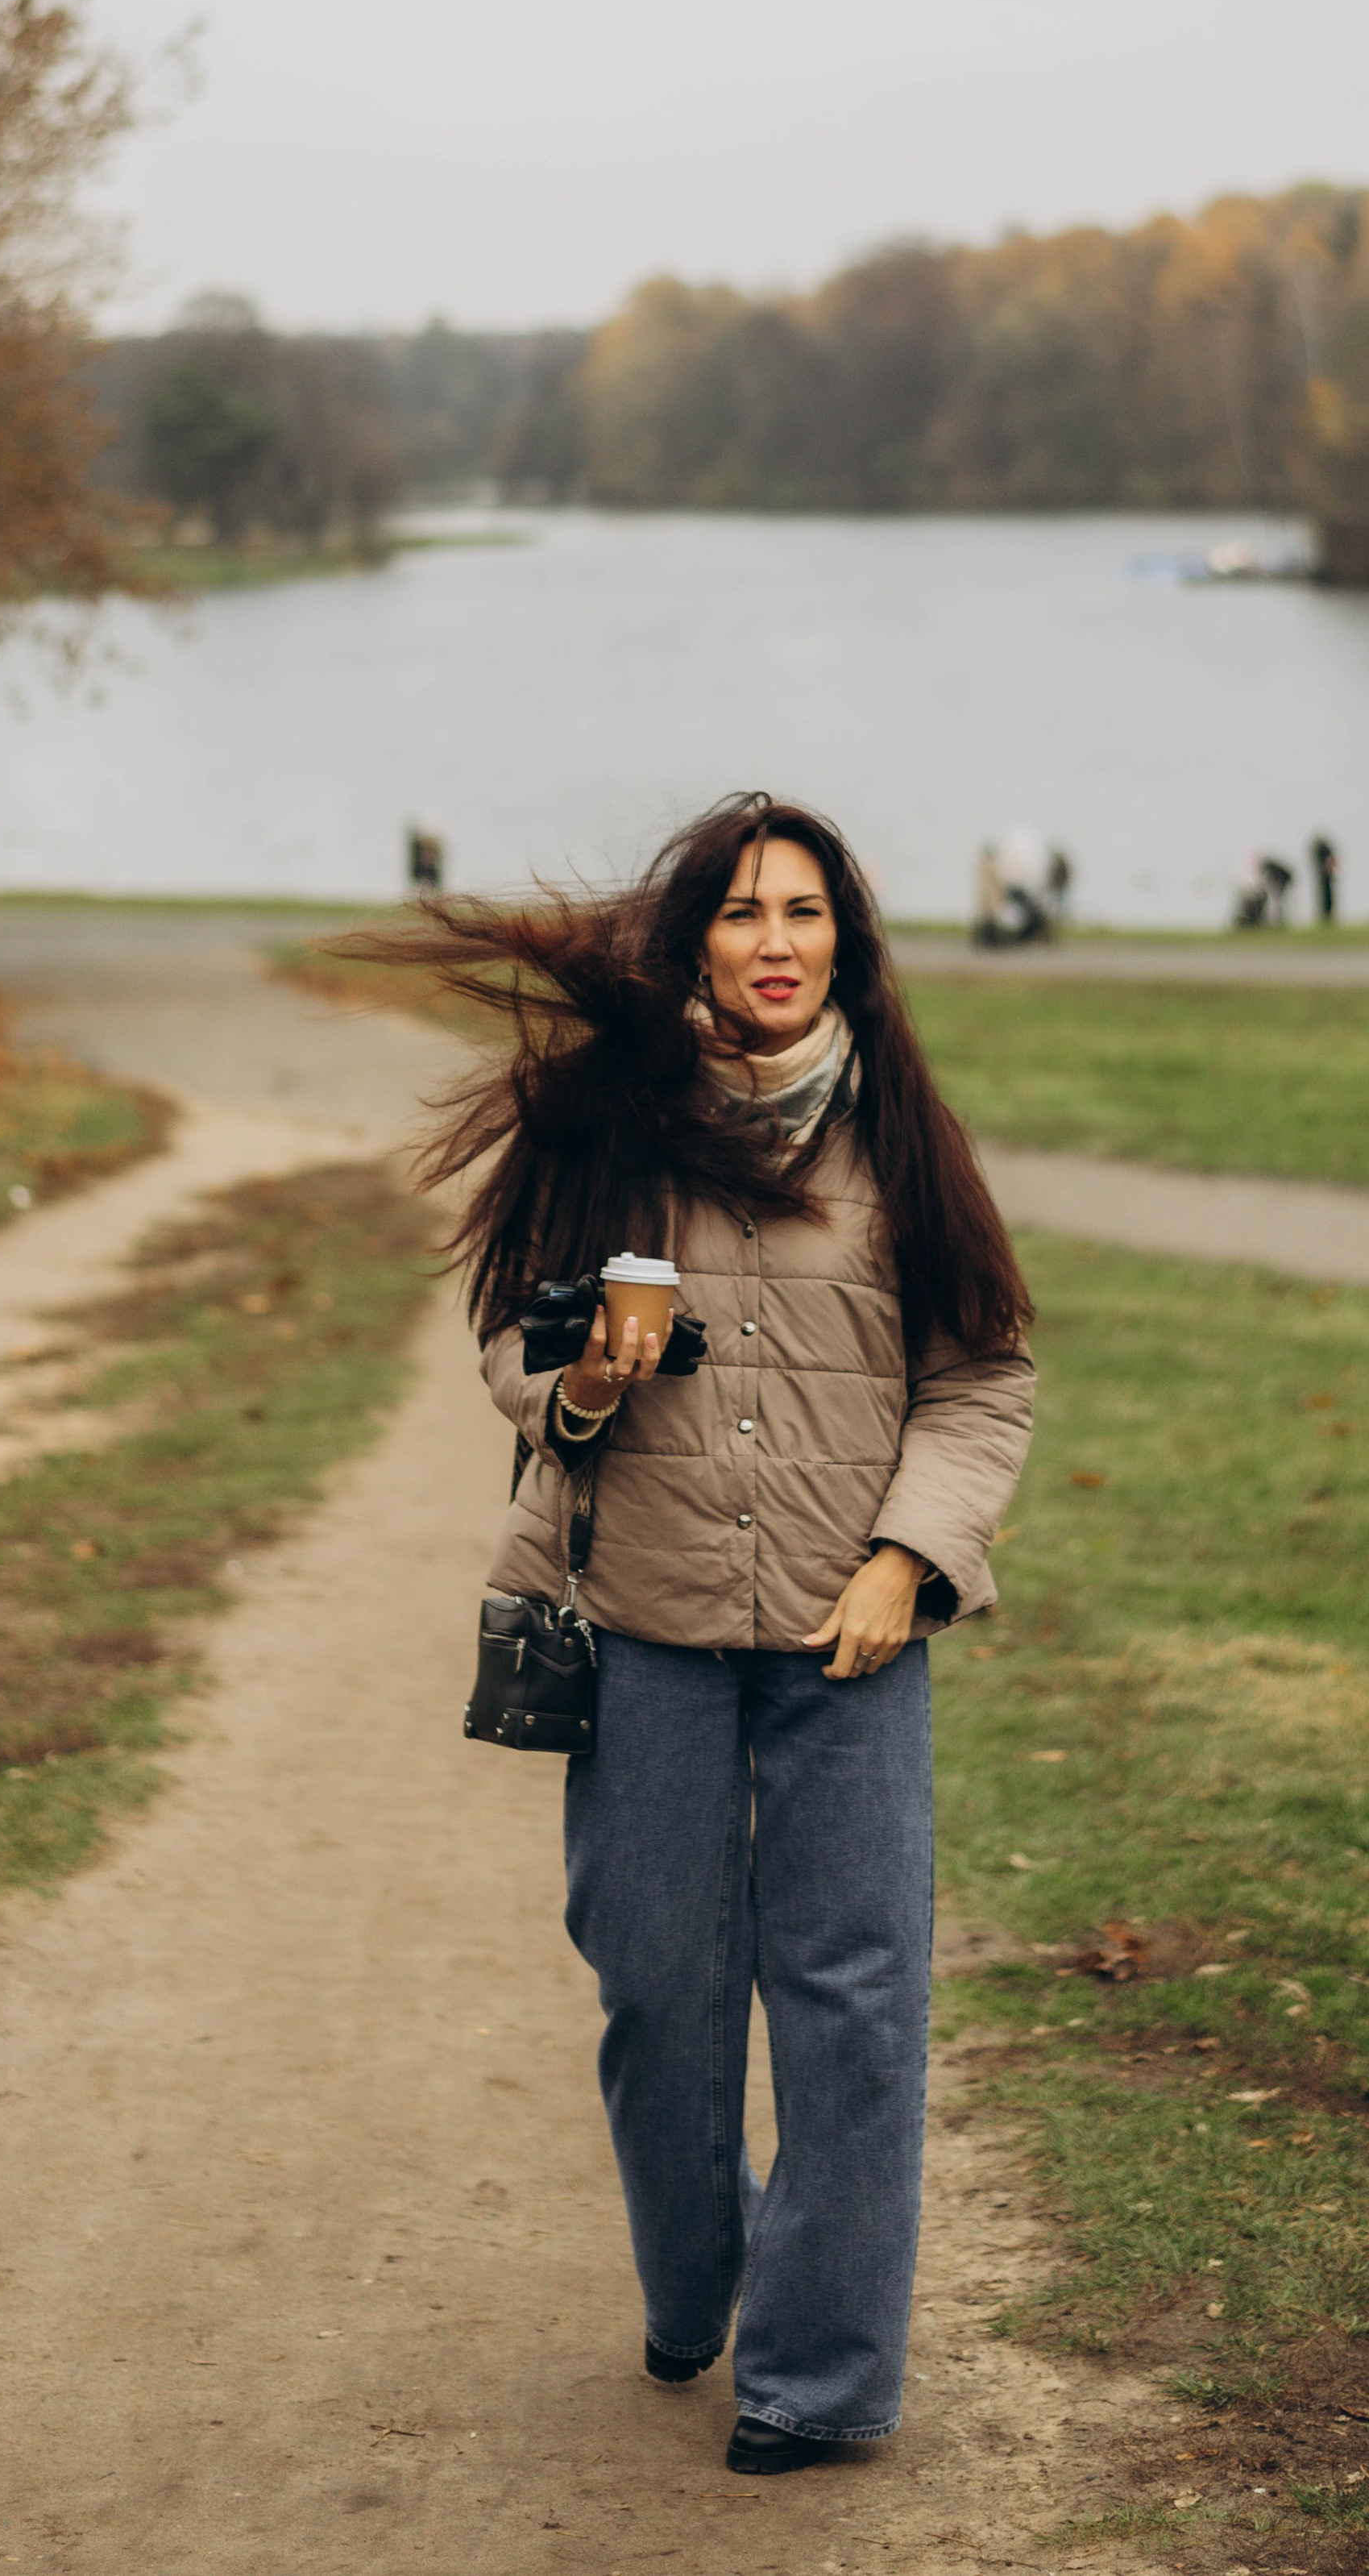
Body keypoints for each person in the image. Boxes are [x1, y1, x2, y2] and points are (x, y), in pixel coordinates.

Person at [375, 796, 1035, 2476]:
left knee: (853, 2001)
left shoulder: (901, 1142)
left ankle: (813, 2379)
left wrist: (909, 1556)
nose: (773, 943)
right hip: (644, 1626)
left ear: (846, 944)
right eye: (741, 913)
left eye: (804, 913)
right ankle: (701, 2277)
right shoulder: (607, 1127)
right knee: (659, 1984)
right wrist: (585, 1377)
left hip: (847, 1640)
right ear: (694, 944)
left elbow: (978, 1380)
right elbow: (508, 1349)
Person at [1309, 834, 1338, 924]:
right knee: (1324, 897)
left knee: (1328, 897)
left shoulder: (1325, 851)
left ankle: (1328, 916)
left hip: (1327, 877)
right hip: (1323, 878)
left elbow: (1332, 862)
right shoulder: (1322, 851)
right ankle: (1325, 916)